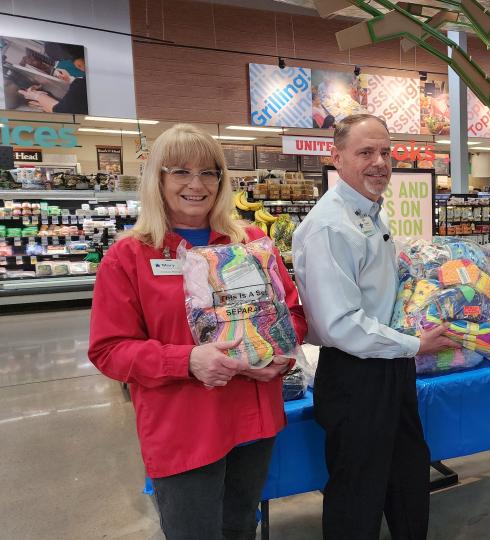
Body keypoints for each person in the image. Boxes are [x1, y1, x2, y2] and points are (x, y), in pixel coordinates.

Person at [88, 124, 307, 540]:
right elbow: (109, 350)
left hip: (253, 418)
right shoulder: (129, 257)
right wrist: (187, 360)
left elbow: (292, 313)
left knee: (241, 527)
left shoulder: (252, 242)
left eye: (209, 172)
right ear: (158, 178)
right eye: (181, 172)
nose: (196, 184)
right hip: (184, 428)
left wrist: (277, 354)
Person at [292, 113, 457, 539]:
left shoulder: (369, 211)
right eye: (365, 152)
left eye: (385, 152)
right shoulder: (331, 225)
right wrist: (414, 344)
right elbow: (339, 325)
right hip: (355, 376)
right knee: (357, 496)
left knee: (406, 477)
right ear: (337, 157)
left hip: (389, 367)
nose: (380, 162)